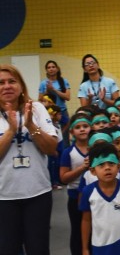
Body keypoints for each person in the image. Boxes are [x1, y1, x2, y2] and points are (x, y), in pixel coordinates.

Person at [0, 64, 60, 254]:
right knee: (8, 249)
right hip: (4, 197)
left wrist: (30, 124)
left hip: (37, 194)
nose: (7, 86)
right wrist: (10, 130)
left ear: (21, 85)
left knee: (38, 248)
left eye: (12, 81)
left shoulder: (36, 108)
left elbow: (51, 149)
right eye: (1, 83)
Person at [80, 142, 120, 255]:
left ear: (118, 167)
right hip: (99, 247)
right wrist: (85, 248)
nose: (107, 168)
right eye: (101, 165)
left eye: (111, 163)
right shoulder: (88, 192)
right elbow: (86, 220)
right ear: (93, 171)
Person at [59, 113, 92, 255]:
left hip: (97, 195)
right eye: (78, 127)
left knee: (95, 231)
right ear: (71, 131)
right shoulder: (68, 152)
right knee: (78, 231)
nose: (82, 129)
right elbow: (63, 178)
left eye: (85, 126)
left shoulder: (97, 148)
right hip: (75, 198)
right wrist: (81, 168)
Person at [38, 60, 71, 130]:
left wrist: (54, 90)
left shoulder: (64, 81)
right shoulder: (43, 83)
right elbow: (40, 100)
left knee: (65, 136)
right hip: (49, 112)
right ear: (46, 70)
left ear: (57, 69)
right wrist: (47, 91)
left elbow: (68, 97)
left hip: (62, 111)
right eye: (49, 67)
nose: (51, 69)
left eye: (53, 67)